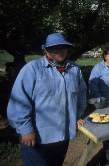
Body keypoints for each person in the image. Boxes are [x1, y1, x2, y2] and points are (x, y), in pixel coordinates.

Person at [7, 33, 87, 166]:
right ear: (46, 50)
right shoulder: (32, 69)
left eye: (62, 47)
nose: (59, 50)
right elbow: (19, 100)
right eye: (54, 47)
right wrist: (26, 130)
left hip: (63, 134)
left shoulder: (74, 69)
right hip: (38, 136)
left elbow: (81, 94)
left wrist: (77, 114)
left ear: (68, 49)